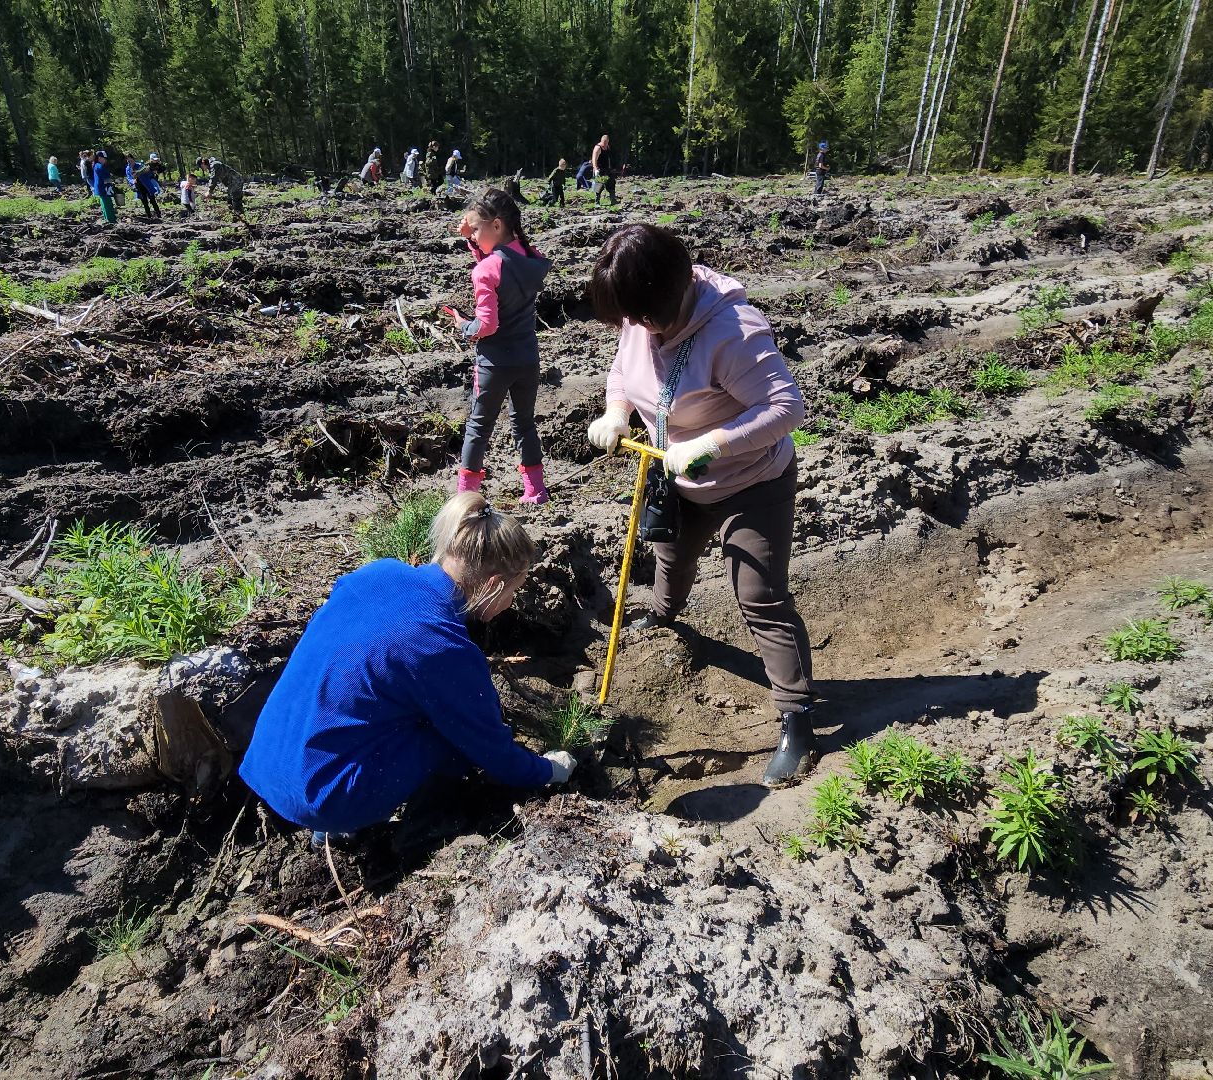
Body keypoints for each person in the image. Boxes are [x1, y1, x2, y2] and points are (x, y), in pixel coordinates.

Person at [585, 224, 816, 786]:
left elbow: (788, 407)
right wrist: (616, 413)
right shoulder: (641, 314)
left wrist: (711, 444)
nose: (637, 328)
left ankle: (797, 718)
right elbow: (623, 370)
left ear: (675, 289)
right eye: (630, 319)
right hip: (678, 475)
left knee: (759, 593)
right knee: (669, 549)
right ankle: (664, 612)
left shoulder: (733, 333)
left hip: (750, 480)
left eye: (644, 317)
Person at [238, 491, 576, 836]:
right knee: (452, 739)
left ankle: (337, 816)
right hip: (322, 797)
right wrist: (546, 770)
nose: (511, 601)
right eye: (513, 591)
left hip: (267, 757)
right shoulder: (441, 646)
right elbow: (492, 750)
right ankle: (420, 830)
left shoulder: (378, 573)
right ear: (493, 584)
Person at [450, 189, 551, 504]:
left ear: (496, 225)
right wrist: (473, 241)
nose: (475, 236)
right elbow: (501, 265)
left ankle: (465, 498)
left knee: (479, 427)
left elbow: (487, 325)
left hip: (494, 362)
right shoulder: (529, 257)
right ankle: (535, 491)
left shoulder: (485, 270)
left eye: (477, 230)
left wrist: (463, 325)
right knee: (524, 423)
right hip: (527, 359)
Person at [206, 156, 245, 222]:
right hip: (231, 183)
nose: (204, 169)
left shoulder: (214, 165)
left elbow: (213, 179)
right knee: (229, 200)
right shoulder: (213, 165)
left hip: (235, 181)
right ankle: (234, 216)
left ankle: (240, 219)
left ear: (203, 164)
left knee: (236, 199)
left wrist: (209, 191)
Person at [590, 134, 620, 206]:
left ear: (608, 141)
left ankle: (613, 200)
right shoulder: (598, 148)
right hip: (599, 170)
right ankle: (597, 202)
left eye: (606, 142)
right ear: (601, 141)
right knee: (599, 186)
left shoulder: (607, 147)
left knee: (611, 183)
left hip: (607, 169)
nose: (605, 144)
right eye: (604, 142)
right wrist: (595, 168)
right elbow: (594, 159)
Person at [132, 153, 163, 219]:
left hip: (148, 185)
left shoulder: (157, 166)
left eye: (156, 160)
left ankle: (158, 215)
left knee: (153, 200)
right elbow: (137, 174)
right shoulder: (146, 166)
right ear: (151, 160)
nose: (156, 161)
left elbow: (161, 170)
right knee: (145, 201)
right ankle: (149, 216)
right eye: (154, 160)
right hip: (141, 185)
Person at [90, 151, 117, 225]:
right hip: (103, 187)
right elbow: (105, 177)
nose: (105, 160)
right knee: (108, 204)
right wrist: (113, 179)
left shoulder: (96, 165)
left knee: (104, 203)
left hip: (100, 187)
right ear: (99, 158)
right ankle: (111, 220)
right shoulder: (99, 166)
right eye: (104, 158)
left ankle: (107, 219)